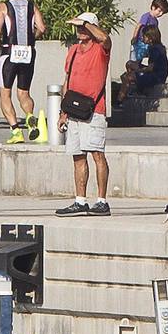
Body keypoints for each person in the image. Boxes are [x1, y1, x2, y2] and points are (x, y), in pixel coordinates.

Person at [54, 13, 113, 217]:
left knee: (97, 153)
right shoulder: (73, 51)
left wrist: (87, 24)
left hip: (94, 110)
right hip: (73, 110)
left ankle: (102, 201)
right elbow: (67, 80)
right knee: (78, 156)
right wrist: (63, 112)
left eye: (83, 27)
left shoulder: (100, 49)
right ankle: (80, 200)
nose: (79, 30)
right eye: (78, 27)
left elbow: (106, 39)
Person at [0, 0, 46, 145]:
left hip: (9, 52)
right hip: (28, 52)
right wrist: (32, 39)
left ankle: (16, 131)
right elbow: (42, 28)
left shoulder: (4, 6)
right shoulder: (32, 6)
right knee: (24, 92)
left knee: (5, 93)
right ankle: (30, 117)